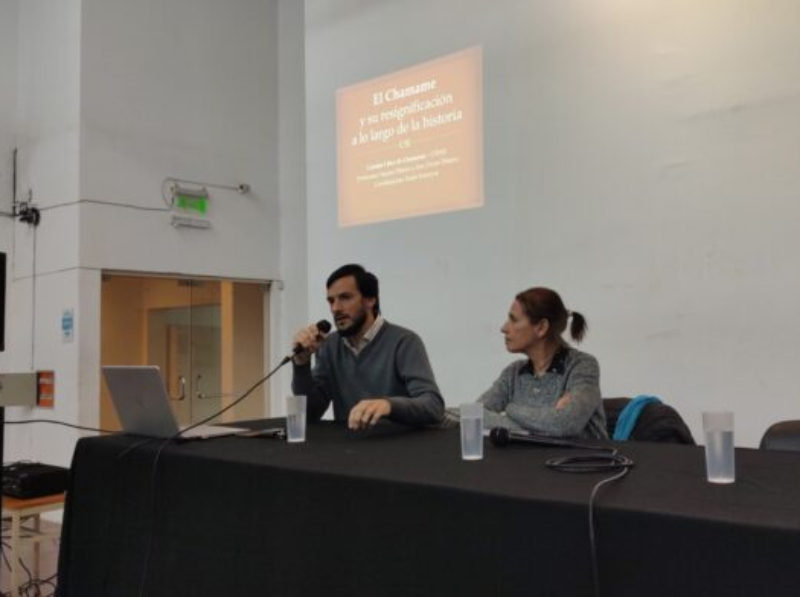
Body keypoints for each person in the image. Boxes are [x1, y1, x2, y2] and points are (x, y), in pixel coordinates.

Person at [291, 264, 444, 430]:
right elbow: (309, 413)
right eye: (331, 301)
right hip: (349, 448)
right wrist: (301, 364)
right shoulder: (329, 346)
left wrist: (388, 405)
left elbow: (433, 406)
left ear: (370, 300)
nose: (335, 308)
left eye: (345, 297)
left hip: (400, 447)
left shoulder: (404, 341)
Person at [477, 287, 607, 439]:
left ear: (541, 327)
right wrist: (546, 420)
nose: (504, 328)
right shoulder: (513, 372)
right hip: (531, 461)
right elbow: (474, 415)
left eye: (514, 320)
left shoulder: (582, 366)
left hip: (586, 461)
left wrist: (510, 409)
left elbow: (565, 424)